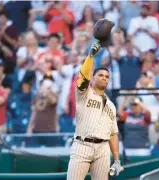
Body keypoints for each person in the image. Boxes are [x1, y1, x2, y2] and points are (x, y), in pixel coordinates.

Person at [67, 42, 122, 180]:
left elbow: (113, 133)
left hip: (103, 149)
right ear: (93, 78)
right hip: (82, 145)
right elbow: (83, 76)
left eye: (107, 76)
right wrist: (91, 56)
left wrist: (117, 160)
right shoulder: (85, 93)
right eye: (101, 75)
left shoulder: (111, 105)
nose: (104, 77)